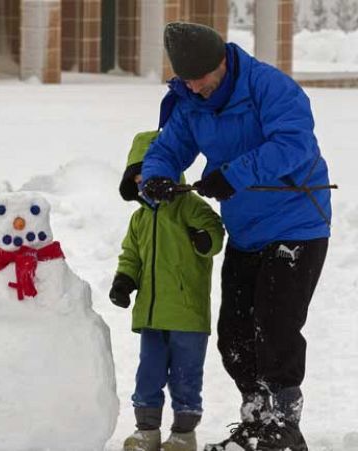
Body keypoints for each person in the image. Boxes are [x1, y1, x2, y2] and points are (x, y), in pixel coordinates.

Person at [140, 22, 331, 451]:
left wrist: (233, 174)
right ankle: (257, 419)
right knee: (235, 335)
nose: (195, 87)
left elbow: (295, 144)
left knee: (275, 328)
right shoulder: (190, 101)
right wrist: (153, 179)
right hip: (247, 232)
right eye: (186, 80)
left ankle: (282, 428)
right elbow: (169, 149)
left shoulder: (269, 87)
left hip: (298, 224)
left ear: (222, 61)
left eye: (200, 78)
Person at [111, 129, 224, 451]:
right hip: (151, 314)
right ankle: (147, 431)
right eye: (138, 176)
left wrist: (205, 239)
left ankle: (183, 434)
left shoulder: (189, 205)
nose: (144, 182)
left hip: (187, 313)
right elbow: (131, 255)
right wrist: (124, 280)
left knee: (186, 375)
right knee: (148, 373)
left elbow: (215, 231)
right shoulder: (139, 220)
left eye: (151, 173)